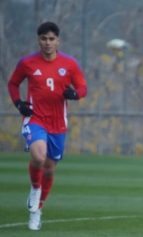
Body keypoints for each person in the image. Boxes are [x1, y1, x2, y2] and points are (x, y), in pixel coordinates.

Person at [7, 22, 87, 230]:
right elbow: (13, 83)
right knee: (38, 156)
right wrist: (18, 103)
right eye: (44, 38)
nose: (47, 43)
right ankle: (35, 188)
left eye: (51, 39)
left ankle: (37, 210)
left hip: (58, 124)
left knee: (49, 169)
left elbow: (82, 86)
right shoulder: (27, 63)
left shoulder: (69, 64)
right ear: (38, 40)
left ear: (58, 41)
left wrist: (76, 94)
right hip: (35, 119)